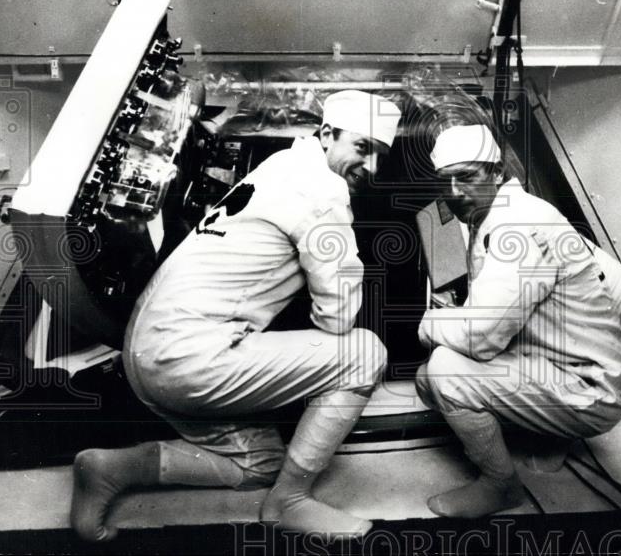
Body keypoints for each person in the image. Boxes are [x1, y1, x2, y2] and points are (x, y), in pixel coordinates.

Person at [70, 89, 402, 542]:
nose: (372, 168)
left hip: (145, 352)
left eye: (381, 156)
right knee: (363, 353)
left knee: (260, 463)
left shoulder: (282, 165)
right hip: (189, 361)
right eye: (363, 148)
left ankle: (110, 469)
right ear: (327, 135)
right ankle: (290, 502)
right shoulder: (324, 192)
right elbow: (339, 319)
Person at [416, 124, 621, 518]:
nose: (453, 192)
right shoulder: (504, 213)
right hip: (571, 368)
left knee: (445, 372)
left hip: (589, 386)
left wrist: (431, 322)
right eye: (445, 181)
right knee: (427, 379)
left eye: (467, 176)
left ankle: (500, 487)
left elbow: (482, 338)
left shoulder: (516, 225)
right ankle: (551, 436)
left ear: (498, 172)